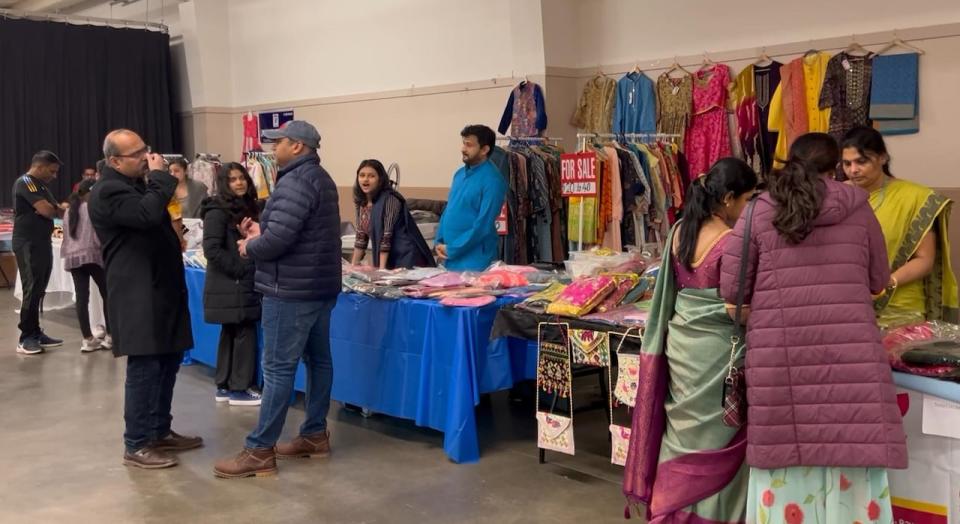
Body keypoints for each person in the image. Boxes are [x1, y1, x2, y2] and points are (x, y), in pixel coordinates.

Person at [720, 133, 906, 524]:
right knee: (852, 454)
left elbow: (731, 290)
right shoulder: (859, 207)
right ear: (835, 166)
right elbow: (878, 280)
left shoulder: (757, 211)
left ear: (791, 161)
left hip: (779, 356)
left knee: (783, 457)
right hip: (851, 354)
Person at [624, 158, 757, 523]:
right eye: (747, 200)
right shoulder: (734, 242)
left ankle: (670, 509)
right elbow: (736, 309)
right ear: (728, 199)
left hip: (681, 346)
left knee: (681, 429)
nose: (748, 209)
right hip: (718, 353)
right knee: (720, 438)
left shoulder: (680, 230)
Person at [214, 120, 341, 479]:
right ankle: (314, 434)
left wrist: (249, 244)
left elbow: (277, 242)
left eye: (278, 142)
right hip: (317, 288)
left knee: (277, 368)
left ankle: (259, 449)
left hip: (290, 291)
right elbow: (297, 234)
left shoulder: (295, 183)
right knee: (318, 361)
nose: (272, 149)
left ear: (297, 146)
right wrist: (261, 231)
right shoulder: (321, 179)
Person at [88, 129, 201, 469]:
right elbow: (146, 215)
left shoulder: (133, 184)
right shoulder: (108, 190)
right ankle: (136, 443)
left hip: (160, 286)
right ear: (114, 161)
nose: (145, 156)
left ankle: (158, 431)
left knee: (168, 360)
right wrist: (161, 179)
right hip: (137, 290)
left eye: (145, 150)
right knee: (146, 365)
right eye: (136, 153)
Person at [841, 126, 958, 328]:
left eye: (862, 161)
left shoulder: (914, 198)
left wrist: (888, 283)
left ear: (882, 158)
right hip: (847, 307)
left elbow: (925, 259)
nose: (853, 170)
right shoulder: (836, 197)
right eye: (846, 163)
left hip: (901, 310)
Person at [200, 163, 262, 407]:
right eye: (233, 180)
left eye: (242, 178)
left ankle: (225, 385)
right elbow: (211, 250)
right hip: (232, 282)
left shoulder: (246, 209)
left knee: (233, 331)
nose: (239, 183)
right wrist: (242, 270)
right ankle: (240, 387)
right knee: (243, 331)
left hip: (237, 281)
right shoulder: (217, 211)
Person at [12, 150, 65, 355]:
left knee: (40, 288)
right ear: (40, 167)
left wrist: (51, 207)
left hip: (42, 242)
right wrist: (49, 208)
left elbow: (56, 209)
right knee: (31, 289)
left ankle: (35, 331)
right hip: (28, 243)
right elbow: (48, 210)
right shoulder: (27, 182)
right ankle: (25, 337)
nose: (54, 176)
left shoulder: (42, 185)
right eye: (52, 171)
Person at [434, 124, 507, 271]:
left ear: (484, 150)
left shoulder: (493, 181)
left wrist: (453, 248)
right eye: (463, 143)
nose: (463, 149)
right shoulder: (459, 174)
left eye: (469, 145)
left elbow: (483, 225)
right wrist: (438, 242)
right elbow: (448, 210)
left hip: (475, 260)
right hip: (449, 256)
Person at [351, 158, 435, 269]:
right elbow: (361, 237)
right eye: (362, 175)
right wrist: (353, 266)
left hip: (407, 258)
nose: (365, 179)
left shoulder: (390, 199)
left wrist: (381, 270)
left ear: (380, 179)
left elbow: (386, 237)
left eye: (371, 176)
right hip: (388, 259)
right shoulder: (361, 203)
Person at [61, 178, 112, 353]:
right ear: (90, 192)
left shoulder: (69, 210)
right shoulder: (92, 208)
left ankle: (87, 339)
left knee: (82, 298)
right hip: (92, 255)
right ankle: (111, 336)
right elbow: (99, 236)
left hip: (73, 258)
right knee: (108, 294)